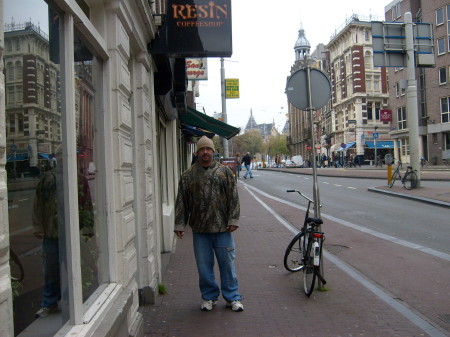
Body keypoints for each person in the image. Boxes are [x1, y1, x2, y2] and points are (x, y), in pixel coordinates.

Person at [174, 136, 243, 312]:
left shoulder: (224, 172)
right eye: (202, 149)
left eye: (208, 149)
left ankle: (232, 297)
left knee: (227, 264)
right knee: (204, 266)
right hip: (200, 229)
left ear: (213, 151)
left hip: (222, 229)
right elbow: (182, 201)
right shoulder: (188, 175)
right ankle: (209, 297)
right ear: (197, 152)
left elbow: (233, 197)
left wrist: (233, 220)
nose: (205, 152)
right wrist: (180, 225)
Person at [33, 147, 94, 318]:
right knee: (51, 269)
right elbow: (38, 203)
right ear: (56, 157)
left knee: (73, 267)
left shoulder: (79, 180)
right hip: (51, 233)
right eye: (59, 155)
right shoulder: (47, 179)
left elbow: (86, 204)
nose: (62, 158)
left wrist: (88, 229)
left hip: (72, 233)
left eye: (65, 155)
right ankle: (50, 302)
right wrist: (38, 226)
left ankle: (73, 300)